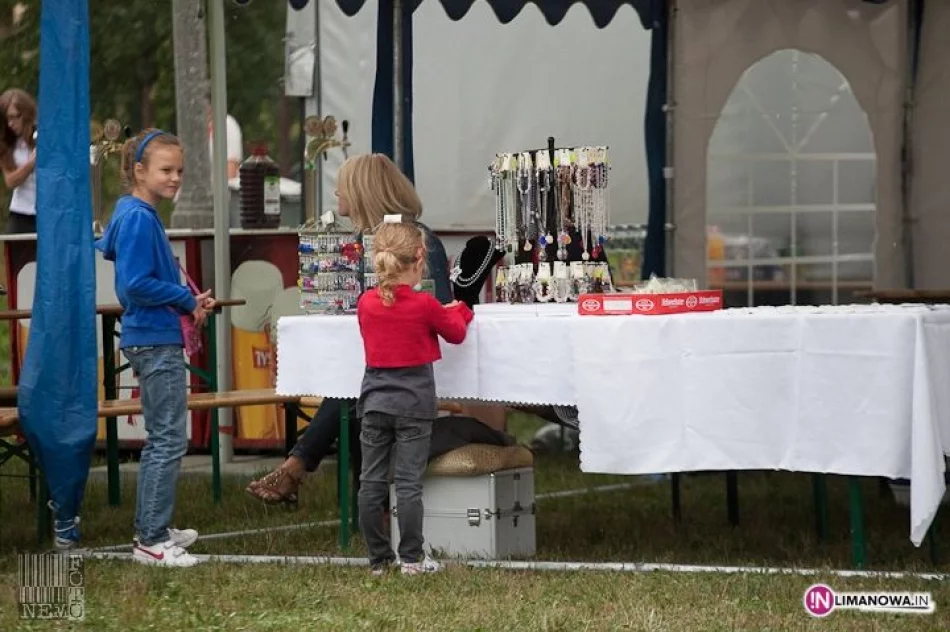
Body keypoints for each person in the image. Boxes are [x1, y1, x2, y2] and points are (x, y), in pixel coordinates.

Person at [246, 153, 453, 505]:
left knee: (354, 388)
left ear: (361, 192)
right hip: (374, 360)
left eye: (342, 185)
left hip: (415, 363)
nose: (336, 193)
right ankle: (354, 500)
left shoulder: (416, 240)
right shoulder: (356, 242)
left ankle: (300, 467)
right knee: (353, 384)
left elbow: (440, 304)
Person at [96, 129, 214, 568]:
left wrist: (186, 300)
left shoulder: (132, 212)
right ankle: (150, 539)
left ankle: (156, 529)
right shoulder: (141, 217)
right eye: (166, 170)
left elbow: (133, 272)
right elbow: (134, 285)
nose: (175, 178)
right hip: (153, 338)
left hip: (152, 335)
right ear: (139, 171)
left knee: (163, 438)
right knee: (166, 439)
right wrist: (185, 299)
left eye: (179, 170)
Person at [356, 220, 473, 575]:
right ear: (419, 258)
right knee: (407, 484)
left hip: (375, 402)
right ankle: (411, 558)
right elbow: (455, 333)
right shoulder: (424, 304)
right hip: (414, 405)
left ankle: (378, 560)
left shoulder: (366, 303)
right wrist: (463, 309)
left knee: (370, 482)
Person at [0, 88, 37, 234]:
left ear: (26, 114)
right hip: (20, 215)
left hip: (48, 213)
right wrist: (31, 163)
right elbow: (10, 180)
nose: (11, 123)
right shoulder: (7, 144)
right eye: (7, 119)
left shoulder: (43, 137)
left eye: (15, 117)